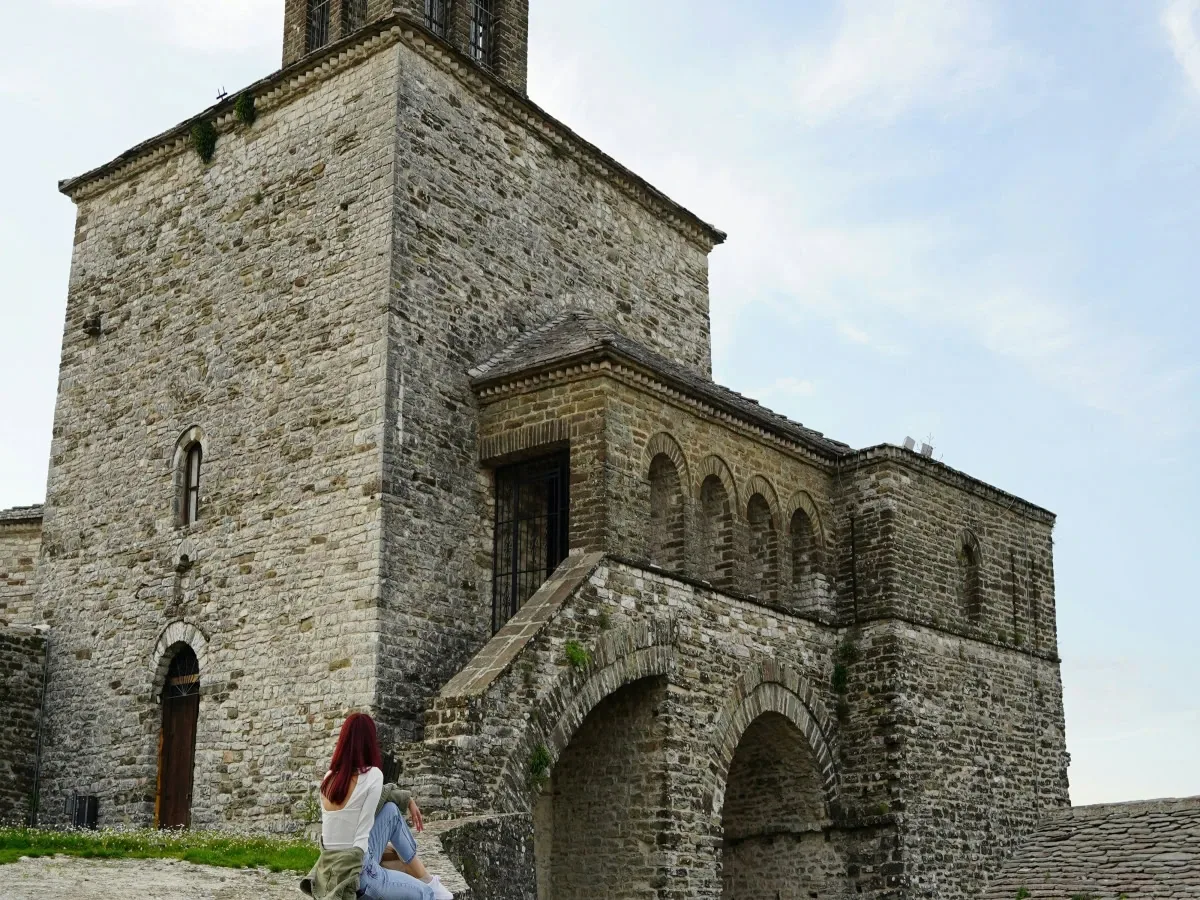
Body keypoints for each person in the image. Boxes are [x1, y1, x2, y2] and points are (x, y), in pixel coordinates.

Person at [300, 712, 453, 900]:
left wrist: (407, 800)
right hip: (360, 875)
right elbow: (365, 827)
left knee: (391, 811)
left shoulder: (329, 778)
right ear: (370, 742)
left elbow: (379, 801)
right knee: (426, 894)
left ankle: (423, 876)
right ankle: (428, 882)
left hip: (330, 868)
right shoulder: (372, 775)